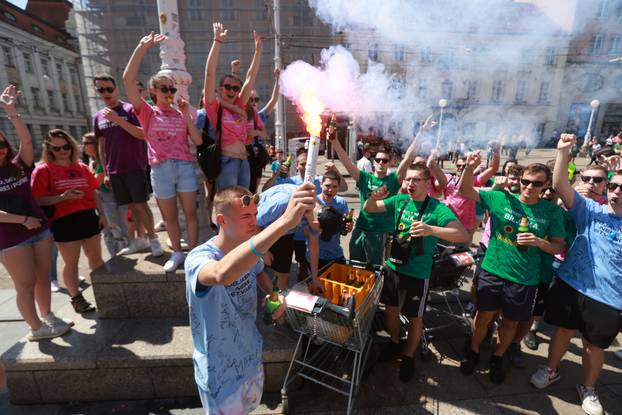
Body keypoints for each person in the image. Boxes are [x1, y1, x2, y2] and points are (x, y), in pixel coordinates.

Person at [184, 183, 315, 413]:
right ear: (221, 221)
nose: (254, 221)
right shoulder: (199, 258)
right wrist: (284, 222)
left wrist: (272, 295)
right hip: (220, 372)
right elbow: (220, 273)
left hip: (251, 357)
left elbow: (258, 271)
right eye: (245, 216)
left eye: (255, 214)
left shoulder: (246, 248)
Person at [530, 134, 622, 415]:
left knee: (594, 346)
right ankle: (551, 368)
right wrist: (563, 151)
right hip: (572, 284)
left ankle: (589, 388)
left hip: (609, 297)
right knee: (562, 331)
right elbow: (559, 184)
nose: (616, 192)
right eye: (615, 186)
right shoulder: (591, 210)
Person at [458, 153, 566, 384]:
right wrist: (469, 169)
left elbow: (559, 245)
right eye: (526, 181)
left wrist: (539, 242)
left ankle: (498, 356)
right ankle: (474, 351)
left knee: (510, 322)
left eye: (537, 183)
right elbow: (465, 191)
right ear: (520, 180)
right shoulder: (500, 198)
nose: (529, 187)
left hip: (524, 277)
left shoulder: (552, 212)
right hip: (492, 269)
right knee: (484, 315)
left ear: (546, 185)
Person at [364, 164, 469, 382]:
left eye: (415, 180)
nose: (410, 184)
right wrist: (373, 197)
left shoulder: (437, 208)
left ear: (427, 183)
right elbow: (369, 209)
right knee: (390, 310)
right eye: (407, 179)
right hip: (393, 267)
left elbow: (462, 235)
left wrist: (431, 230)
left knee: (415, 317)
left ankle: (409, 356)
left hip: (417, 274)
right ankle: (394, 342)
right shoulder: (400, 200)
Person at [123, 32, 203, 272]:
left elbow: (197, 140)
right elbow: (128, 80)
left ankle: (193, 253)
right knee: (169, 217)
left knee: (190, 213)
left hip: (184, 167)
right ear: (153, 91)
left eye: (172, 87)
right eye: (164, 88)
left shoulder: (182, 113)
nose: (170, 91)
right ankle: (177, 253)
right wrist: (141, 47)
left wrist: (187, 113)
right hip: (160, 168)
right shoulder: (147, 113)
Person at [0, 85, 71, 340]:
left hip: (39, 231)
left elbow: (27, 141)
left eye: (2, 144)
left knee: (43, 278)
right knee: (25, 285)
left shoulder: (18, 165)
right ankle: (36, 329)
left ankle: (48, 315)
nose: (1, 150)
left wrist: (11, 112)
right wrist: (23, 220)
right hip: (11, 238)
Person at [329, 117, 436, 265]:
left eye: (385, 161)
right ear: (373, 162)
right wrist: (334, 142)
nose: (381, 163)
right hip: (360, 229)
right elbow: (346, 162)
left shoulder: (393, 181)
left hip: (379, 233)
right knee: (354, 266)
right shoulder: (364, 178)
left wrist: (422, 132)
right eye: (378, 160)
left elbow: (408, 158)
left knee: (374, 270)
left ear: (390, 163)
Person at [31, 129, 107, 314]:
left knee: (96, 258)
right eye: (57, 148)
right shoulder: (43, 170)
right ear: (49, 149)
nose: (62, 151)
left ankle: (104, 293)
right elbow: (38, 200)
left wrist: (102, 215)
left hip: (88, 216)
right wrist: (62, 198)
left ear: (71, 146)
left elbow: (94, 191)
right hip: (64, 221)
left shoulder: (80, 166)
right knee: (71, 262)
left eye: (65, 146)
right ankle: (77, 298)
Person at [92, 73, 162, 257]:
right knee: (130, 207)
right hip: (114, 169)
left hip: (134, 165)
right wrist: (104, 170)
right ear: (97, 91)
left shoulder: (130, 109)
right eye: (101, 90)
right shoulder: (98, 116)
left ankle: (153, 240)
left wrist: (118, 120)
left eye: (109, 89)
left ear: (116, 89)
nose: (106, 93)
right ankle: (139, 240)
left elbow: (142, 134)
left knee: (141, 204)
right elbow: (101, 145)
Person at [203, 23, 262, 190]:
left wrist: (257, 52)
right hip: (226, 161)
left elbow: (250, 78)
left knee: (242, 203)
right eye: (227, 87)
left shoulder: (240, 104)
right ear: (220, 89)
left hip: (244, 161)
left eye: (236, 88)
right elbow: (209, 74)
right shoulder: (214, 106)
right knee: (228, 205)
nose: (232, 90)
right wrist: (217, 41)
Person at [256, 183, 339, 290]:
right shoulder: (281, 203)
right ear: (316, 224)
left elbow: (314, 247)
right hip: (259, 228)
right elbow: (254, 224)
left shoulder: (320, 213)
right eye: (320, 231)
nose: (317, 234)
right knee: (258, 270)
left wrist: (315, 278)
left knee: (283, 277)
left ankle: (279, 295)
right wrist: (263, 251)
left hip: (285, 232)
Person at [440, 144, 500, 238]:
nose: (460, 168)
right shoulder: (448, 178)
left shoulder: (474, 180)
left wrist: (496, 152)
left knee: (463, 249)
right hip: (448, 220)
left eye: (464, 166)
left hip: (466, 224)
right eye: (458, 165)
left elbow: (493, 169)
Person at [315, 171, 352, 268]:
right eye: (327, 186)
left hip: (336, 253)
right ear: (321, 184)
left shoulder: (341, 202)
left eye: (334, 187)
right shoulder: (314, 201)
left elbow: (345, 226)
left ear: (338, 187)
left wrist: (348, 226)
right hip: (316, 255)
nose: (330, 190)